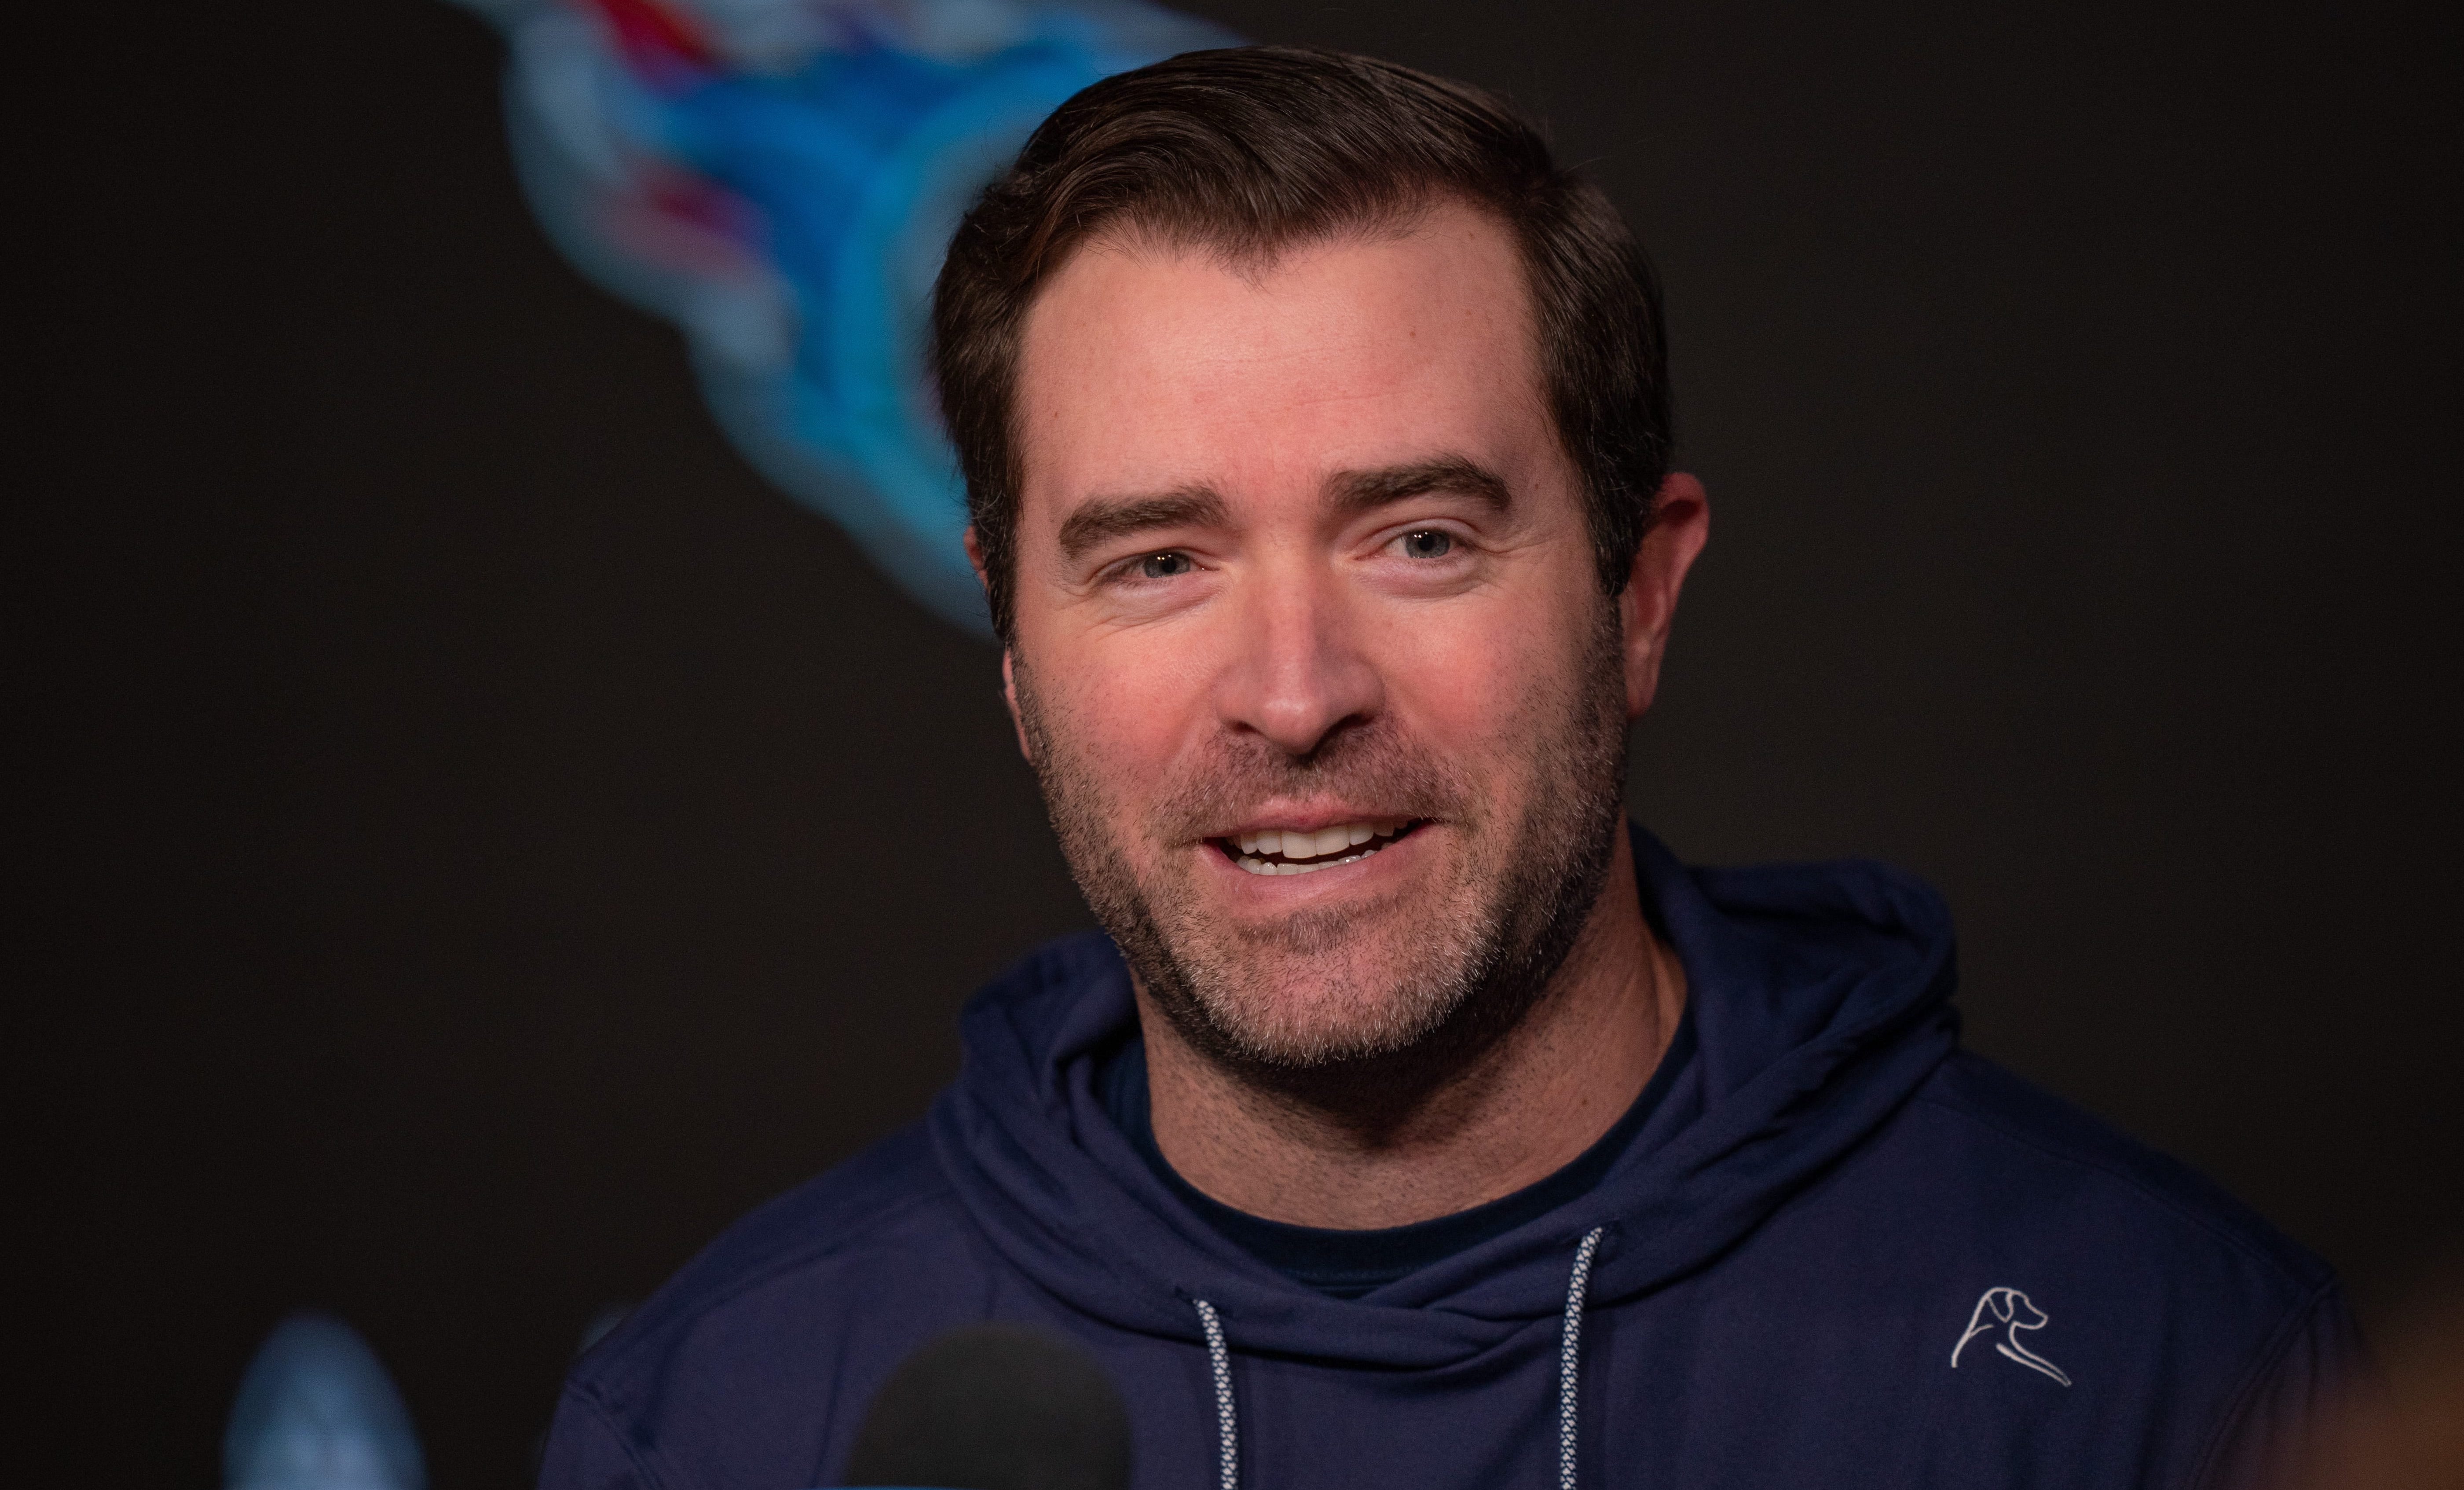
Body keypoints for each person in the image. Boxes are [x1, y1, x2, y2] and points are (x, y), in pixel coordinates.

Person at [538, 45, 2362, 1490]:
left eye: (1417, 536)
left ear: (1638, 591)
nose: (1294, 693)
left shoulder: (2173, 1374)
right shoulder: (726, 1419)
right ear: (1016, 651)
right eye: (1159, 561)